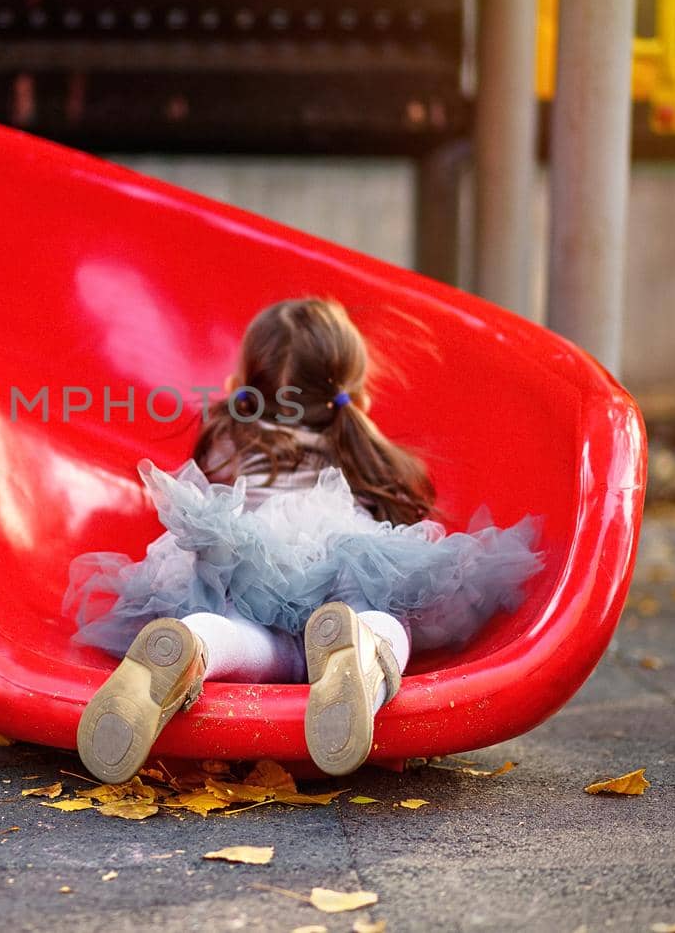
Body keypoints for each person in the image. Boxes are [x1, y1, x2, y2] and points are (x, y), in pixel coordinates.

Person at [65, 297, 542, 783]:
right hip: (340, 565)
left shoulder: (230, 434)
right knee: (385, 621)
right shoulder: (358, 444)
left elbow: (218, 489)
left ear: (244, 389)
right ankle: (364, 652)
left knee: (251, 638)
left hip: (250, 574)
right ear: (355, 398)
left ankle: (197, 644)